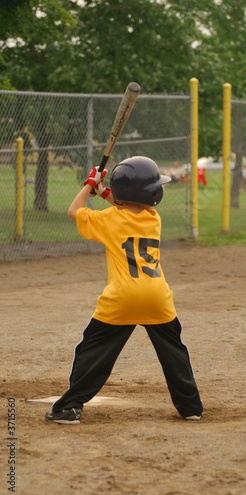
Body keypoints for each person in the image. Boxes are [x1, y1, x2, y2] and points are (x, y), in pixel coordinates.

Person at [44, 156, 203, 425]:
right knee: (175, 354)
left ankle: (69, 408)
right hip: (157, 298)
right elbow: (128, 207)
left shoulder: (109, 220)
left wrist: (89, 185)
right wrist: (105, 191)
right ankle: (190, 408)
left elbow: (74, 211)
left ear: (120, 194)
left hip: (122, 299)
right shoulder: (154, 219)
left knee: (92, 353)